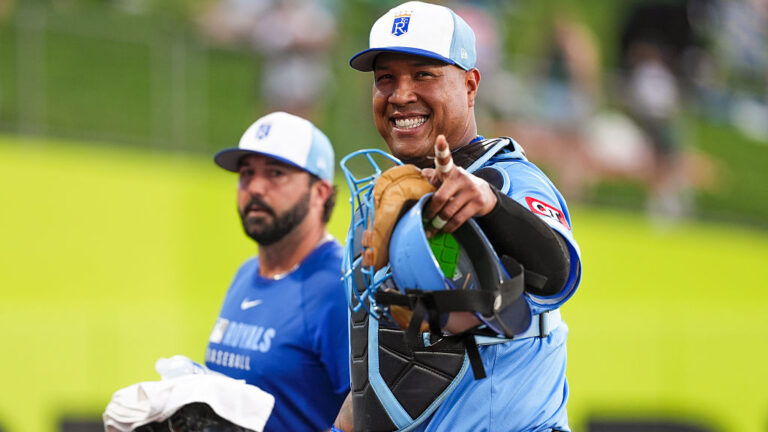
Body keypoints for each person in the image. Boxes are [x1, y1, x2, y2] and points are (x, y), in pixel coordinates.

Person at [334, 2, 582, 431]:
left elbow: (557, 271)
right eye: (385, 78)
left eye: (423, 75)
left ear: (470, 85)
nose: (400, 94)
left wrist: (491, 205)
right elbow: (377, 364)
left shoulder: (506, 178)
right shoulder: (390, 197)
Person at [209, 111, 350, 431]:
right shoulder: (246, 275)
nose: (255, 187)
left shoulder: (339, 288)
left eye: (275, 173)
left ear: (320, 193)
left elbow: (376, 415)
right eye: (246, 173)